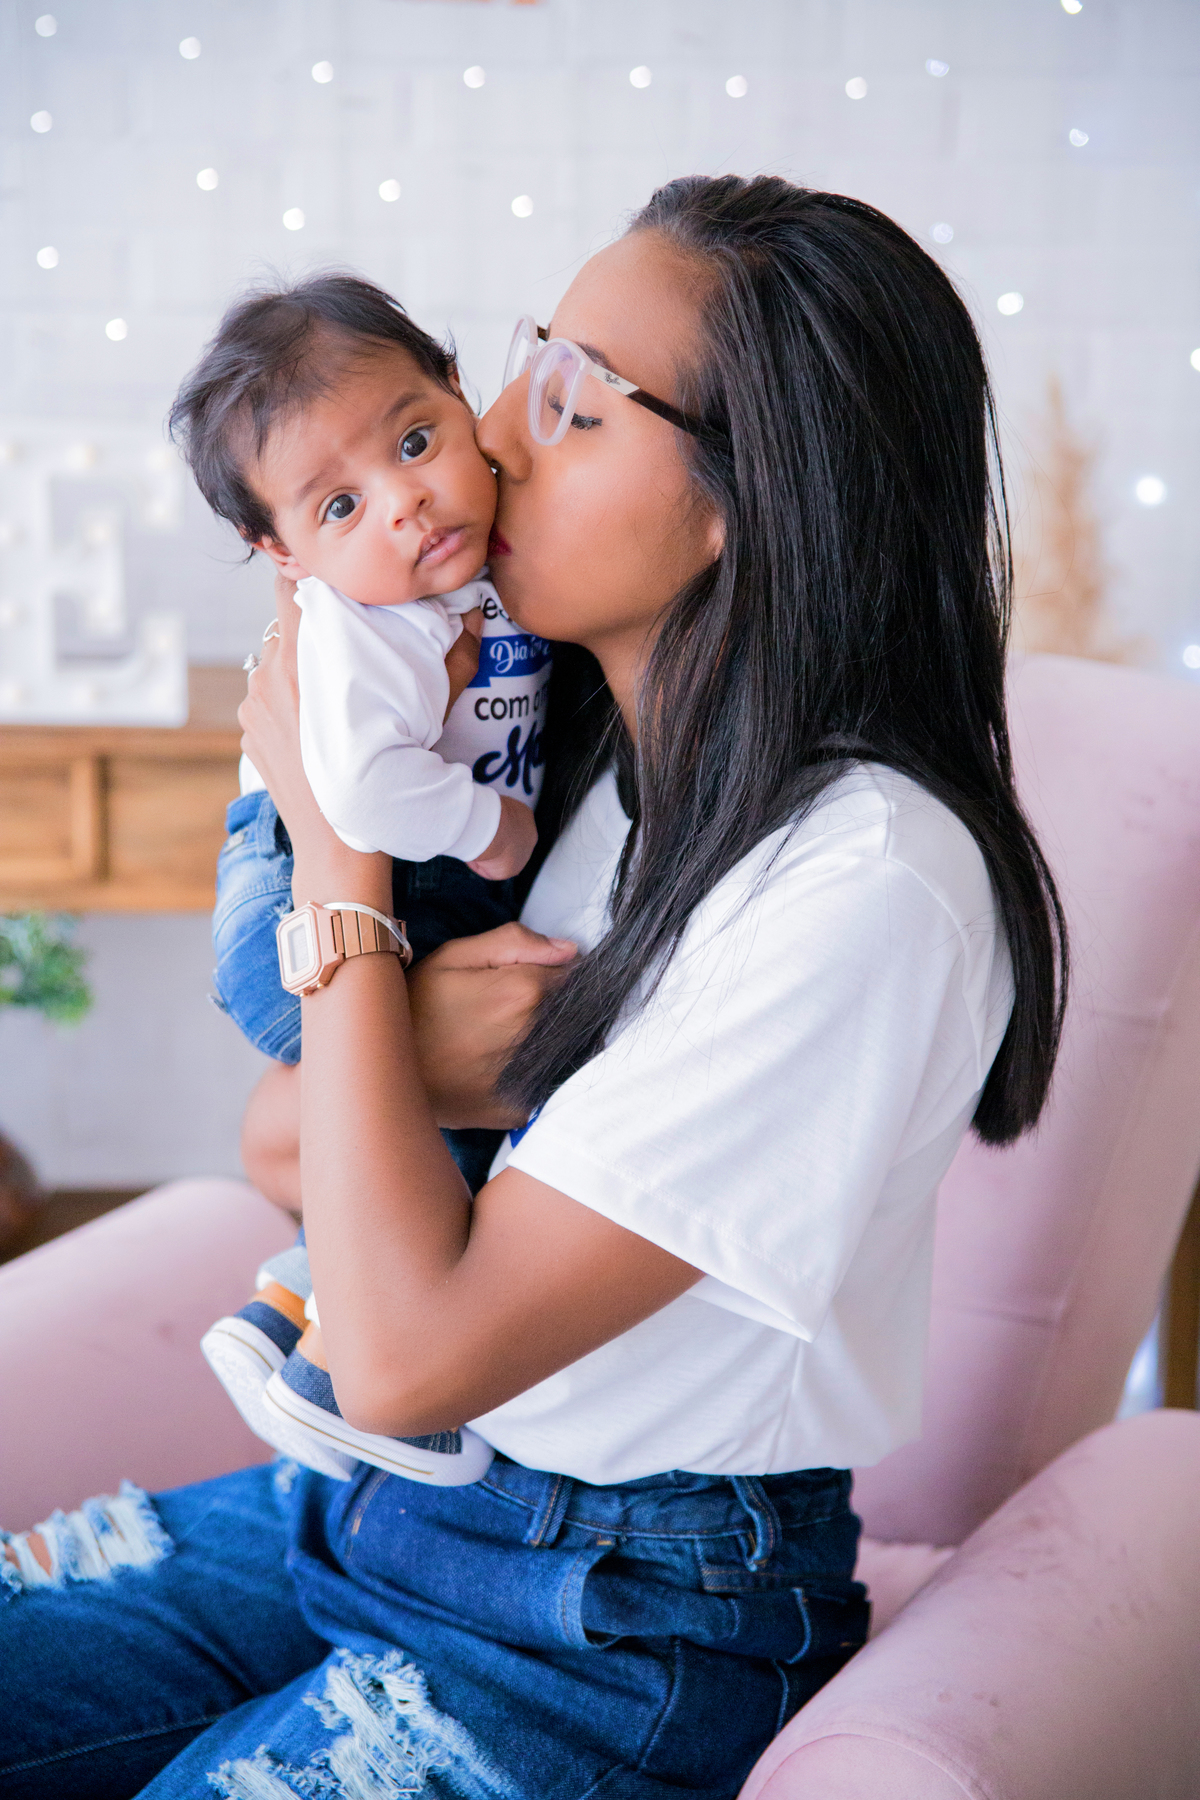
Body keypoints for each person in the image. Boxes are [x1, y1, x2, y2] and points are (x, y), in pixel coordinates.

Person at [0, 174, 1066, 1800]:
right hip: (376, 1510)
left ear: (746, 496)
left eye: (572, 405)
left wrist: (340, 856)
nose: (490, 432)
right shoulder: (571, 746)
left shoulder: (864, 889)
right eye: (522, 363)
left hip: (618, 1610)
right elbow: (289, 1144)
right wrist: (405, 1046)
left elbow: (408, 1352)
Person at [167, 276, 550, 1484]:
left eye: (419, 439)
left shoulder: (475, 572)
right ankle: (357, 1376)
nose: (407, 502)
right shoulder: (360, 628)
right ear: (283, 553)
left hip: (351, 890)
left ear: (459, 389)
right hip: (299, 905)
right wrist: (495, 833)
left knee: (466, 1100)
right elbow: (365, 797)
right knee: (480, 1106)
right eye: (342, 503)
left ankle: (292, 1305)